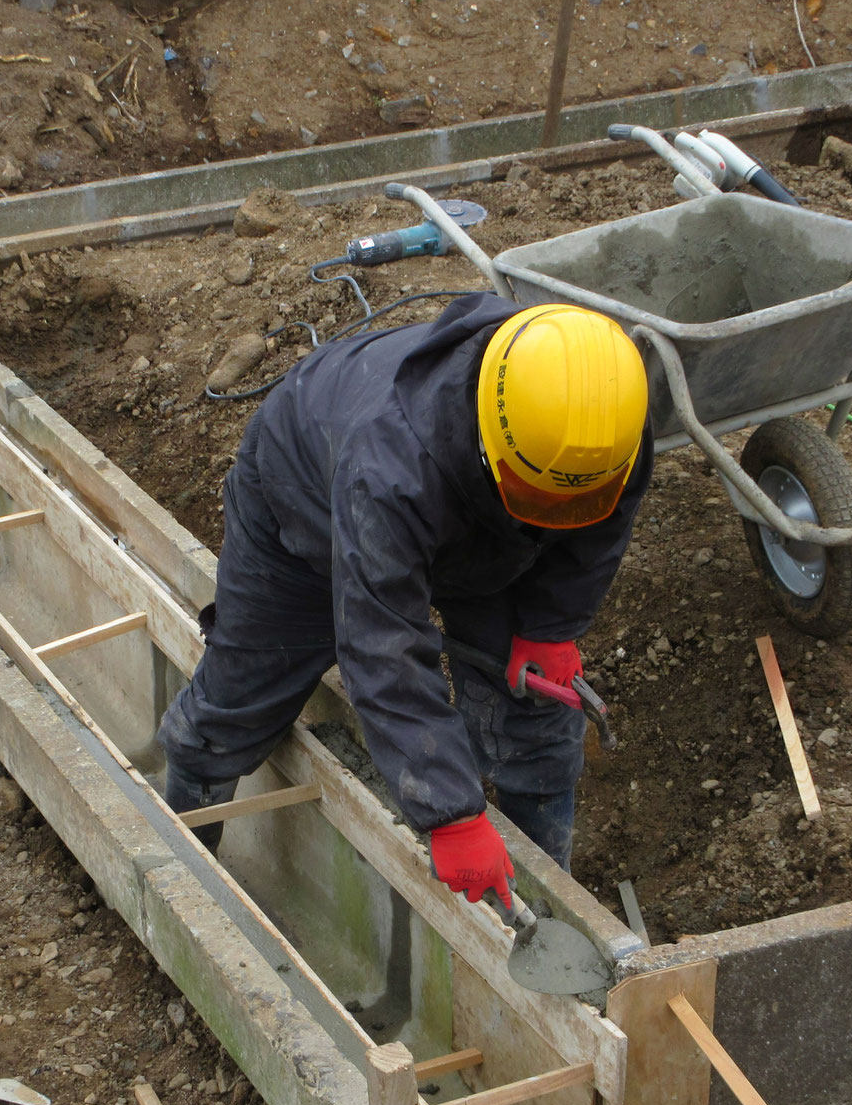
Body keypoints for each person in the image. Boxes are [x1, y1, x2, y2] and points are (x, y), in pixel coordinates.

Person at [158, 294, 652, 910]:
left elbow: (601, 529)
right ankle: (182, 861)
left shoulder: (603, 423)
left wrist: (550, 626)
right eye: (538, 496)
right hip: (307, 500)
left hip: (484, 531)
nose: (556, 515)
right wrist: (450, 814)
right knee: (241, 695)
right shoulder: (387, 472)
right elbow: (381, 644)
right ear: (492, 446)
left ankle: (547, 913)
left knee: (532, 717)